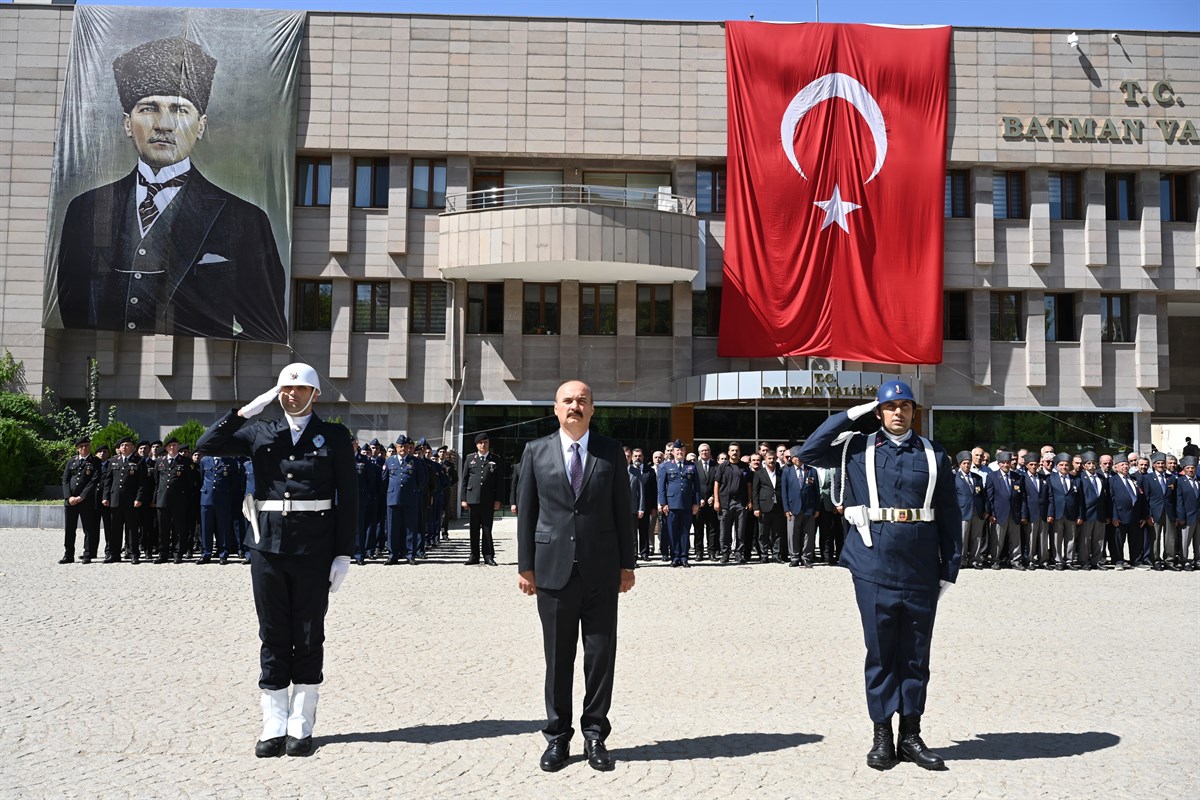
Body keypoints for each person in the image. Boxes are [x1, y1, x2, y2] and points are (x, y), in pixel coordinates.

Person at [54, 36, 286, 343]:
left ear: (201, 125)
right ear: (127, 124)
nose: (163, 124)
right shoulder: (85, 209)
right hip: (102, 360)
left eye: (179, 110)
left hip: (193, 365)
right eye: (149, 108)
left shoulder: (246, 220)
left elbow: (263, 321)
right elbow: (72, 304)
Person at [795, 380, 960, 772]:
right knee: (882, 651)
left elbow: (950, 512)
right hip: (873, 563)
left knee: (916, 653)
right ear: (879, 412)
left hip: (920, 563)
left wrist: (949, 568)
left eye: (905, 406)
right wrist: (852, 413)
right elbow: (809, 451)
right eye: (890, 406)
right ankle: (882, 735)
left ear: (914, 412)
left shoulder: (934, 453)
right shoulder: (856, 448)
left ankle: (911, 735)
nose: (898, 412)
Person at [196, 362, 357, 758]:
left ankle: (301, 722)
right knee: (272, 632)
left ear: (314, 394)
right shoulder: (260, 432)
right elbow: (206, 445)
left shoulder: (334, 436)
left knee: (308, 633)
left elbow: (351, 497)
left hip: (314, 548)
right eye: (286, 388)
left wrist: (343, 552)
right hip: (267, 546)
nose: (292, 394)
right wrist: (243, 412)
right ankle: (274, 722)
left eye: (300, 389)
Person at [516, 380, 636, 773]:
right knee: (558, 658)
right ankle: (557, 737)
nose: (575, 405)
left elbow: (622, 510)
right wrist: (525, 566)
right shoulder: (536, 451)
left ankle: (595, 734)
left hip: (601, 572)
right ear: (555, 408)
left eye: (582, 400)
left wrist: (627, 565)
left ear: (592, 409)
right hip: (552, 571)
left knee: (600, 657)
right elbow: (527, 513)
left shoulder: (610, 452)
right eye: (567, 400)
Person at [101, 436, 149, 563]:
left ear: (132, 447)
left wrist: (139, 498)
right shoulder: (113, 461)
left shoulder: (139, 461)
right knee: (115, 528)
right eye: (122, 445)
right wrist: (105, 497)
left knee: (132, 528)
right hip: (115, 499)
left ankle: (133, 553)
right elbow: (108, 481)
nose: (124, 447)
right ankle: (114, 554)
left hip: (131, 501)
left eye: (127, 445)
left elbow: (142, 483)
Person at [153, 437, 198, 564]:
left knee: (179, 528)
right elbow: (156, 480)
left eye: (174, 445)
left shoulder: (185, 461)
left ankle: (178, 553)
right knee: (163, 528)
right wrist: (156, 498)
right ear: (166, 448)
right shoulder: (160, 461)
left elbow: (190, 482)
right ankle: (163, 553)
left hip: (179, 500)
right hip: (163, 499)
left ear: (178, 446)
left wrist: (186, 498)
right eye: (170, 446)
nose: (172, 448)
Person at [461, 432, 503, 566]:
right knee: (473, 529)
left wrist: (498, 500)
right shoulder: (470, 459)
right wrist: (463, 499)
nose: (483, 445)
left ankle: (488, 556)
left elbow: (499, 482)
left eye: (485, 442)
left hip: (488, 500)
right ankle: (474, 555)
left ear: (488, 443)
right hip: (472, 499)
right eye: (480, 443)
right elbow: (464, 480)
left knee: (487, 529)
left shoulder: (495, 459)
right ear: (476, 445)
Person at [383, 434, 426, 565]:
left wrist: (412, 490)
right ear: (396, 447)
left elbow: (422, 480)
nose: (403, 449)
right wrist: (391, 491)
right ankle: (393, 554)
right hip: (393, 499)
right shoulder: (389, 461)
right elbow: (384, 480)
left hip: (410, 499)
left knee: (410, 528)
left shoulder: (415, 461)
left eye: (405, 446)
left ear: (409, 448)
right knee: (392, 528)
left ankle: (410, 554)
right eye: (400, 446)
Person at [657, 439, 700, 567]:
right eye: (677, 450)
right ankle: (675, 557)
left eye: (682, 450)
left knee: (685, 531)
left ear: (685, 451)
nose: (679, 452)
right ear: (673, 452)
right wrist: (663, 503)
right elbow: (661, 487)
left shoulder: (691, 466)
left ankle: (684, 557)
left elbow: (697, 486)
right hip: (671, 504)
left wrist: (696, 503)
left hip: (687, 503)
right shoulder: (665, 466)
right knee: (672, 531)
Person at [61, 436, 102, 564]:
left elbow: (94, 480)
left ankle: (87, 554)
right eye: (81, 446)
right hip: (71, 501)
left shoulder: (95, 461)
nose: (84, 448)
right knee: (69, 529)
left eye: (86, 445)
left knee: (88, 528)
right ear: (77, 448)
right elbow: (65, 480)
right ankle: (68, 554)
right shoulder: (71, 461)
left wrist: (81, 496)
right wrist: (69, 497)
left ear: (90, 447)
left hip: (86, 500)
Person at [750, 448, 786, 563]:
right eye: (769, 458)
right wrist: (756, 508)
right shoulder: (759, 473)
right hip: (764, 507)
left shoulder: (781, 473)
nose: (771, 460)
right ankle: (764, 555)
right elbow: (755, 492)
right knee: (763, 533)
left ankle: (776, 555)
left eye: (773, 458)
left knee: (777, 533)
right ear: (765, 460)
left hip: (778, 507)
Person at [953, 451, 988, 569]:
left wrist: (986, 510)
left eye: (968, 463)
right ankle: (961, 560)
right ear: (960, 464)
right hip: (962, 511)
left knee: (976, 537)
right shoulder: (954, 477)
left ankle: (975, 560)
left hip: (977, 511)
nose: (967, 465)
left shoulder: (977, 478)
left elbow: (983, 495)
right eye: (964, 463)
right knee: (962, 537)